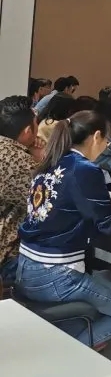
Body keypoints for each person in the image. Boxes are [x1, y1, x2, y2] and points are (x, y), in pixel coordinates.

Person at [16, 111, 111, 346]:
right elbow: (109, 224)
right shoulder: (84, 169)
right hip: (57, 274)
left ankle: (69, 344)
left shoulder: (51, 162)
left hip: (26, 267)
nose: (105, 147)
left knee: (88, 316)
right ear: (97, 136)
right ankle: (73, 352)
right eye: (107, 141)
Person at [0, 96, 40, 287]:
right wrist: (41, 160)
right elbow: (48, 204)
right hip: (6, 257)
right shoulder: (19, 162)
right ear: (27, 131)